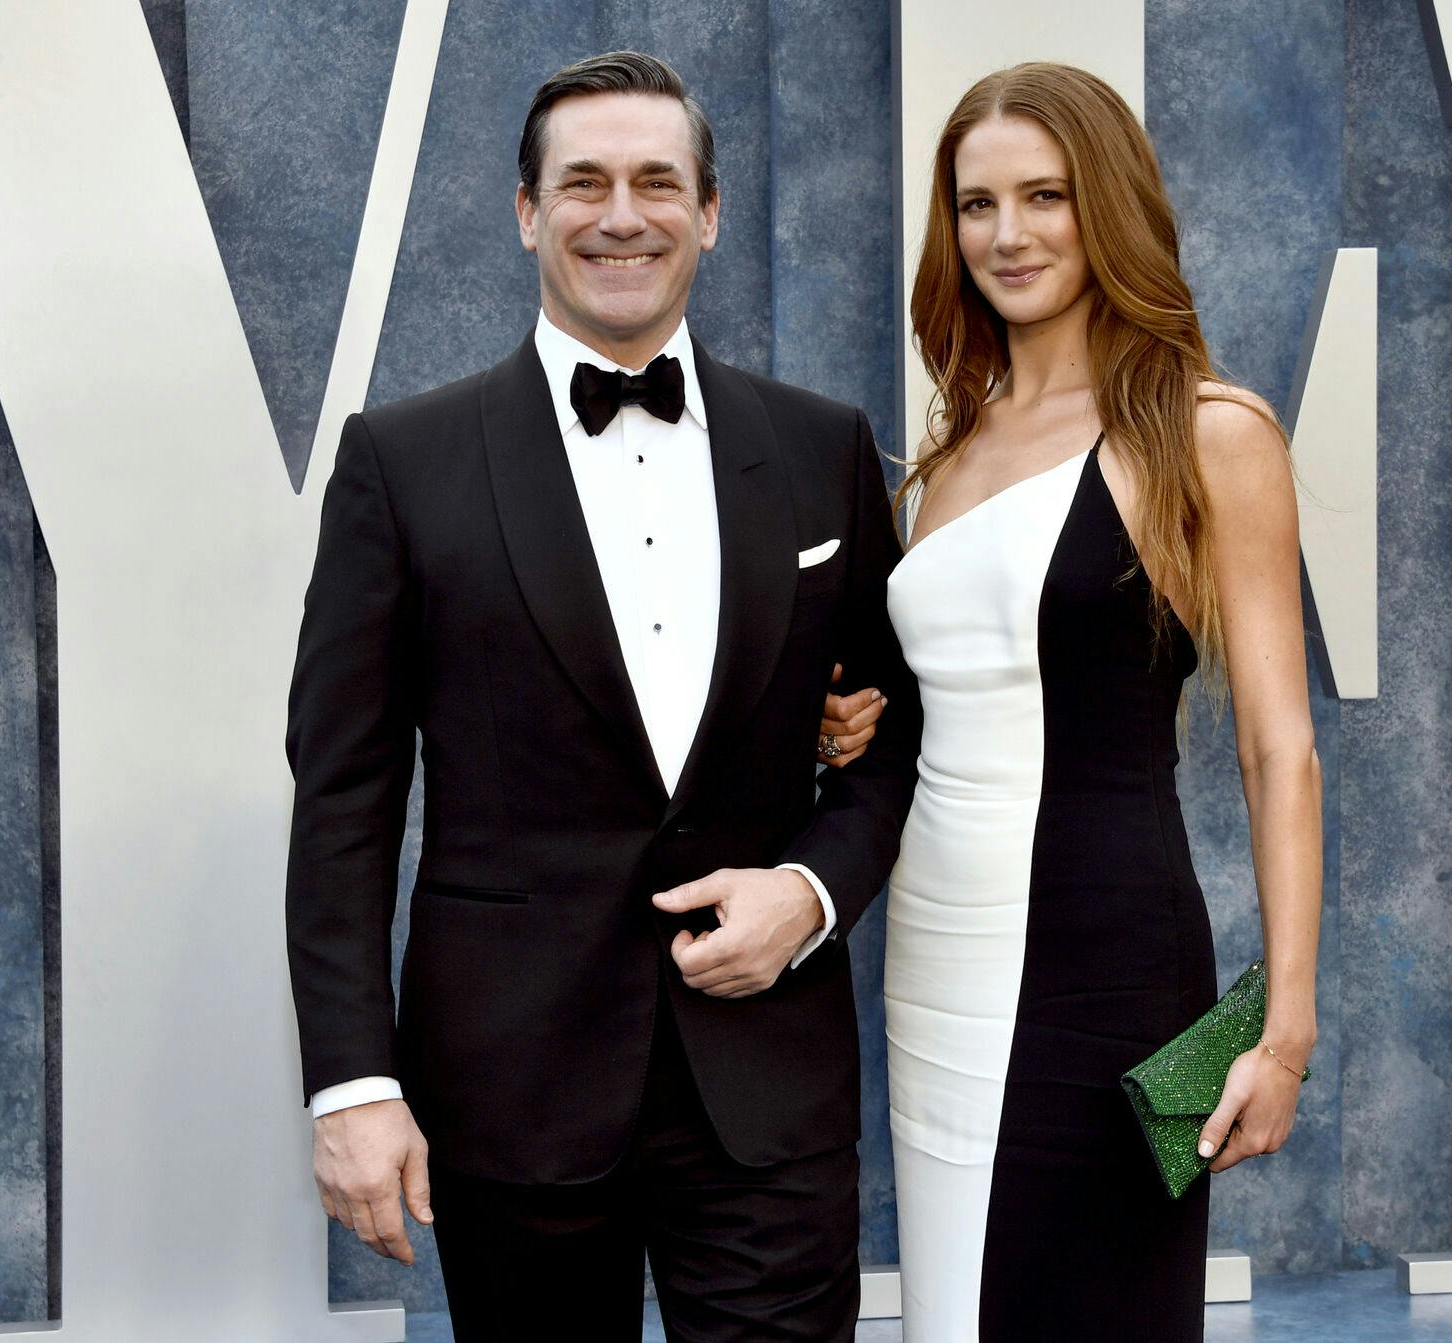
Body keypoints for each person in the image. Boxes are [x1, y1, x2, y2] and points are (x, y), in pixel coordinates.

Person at [283, 50, 919, 1341]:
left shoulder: (823, 446)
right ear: (528, 211)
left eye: (655, 182)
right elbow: (344, 798)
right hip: (510, 1084)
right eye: (583, 182)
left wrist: (807, 892)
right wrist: (352, 1080)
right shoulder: (400, 462)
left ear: (710, 211)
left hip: (766, 1080)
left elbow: (892, 733)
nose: (620, 214)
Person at [882, 63, 1323, 1341]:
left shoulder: (1211, 431)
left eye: (1046, 196)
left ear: (1110, 208)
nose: (1007, 234)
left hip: (1111, 962)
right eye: (976, 204)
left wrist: (1284, 1029)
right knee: (953, 1312)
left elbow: (1276, 742)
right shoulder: (950, 446)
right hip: (930, 954)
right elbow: (940, 698)